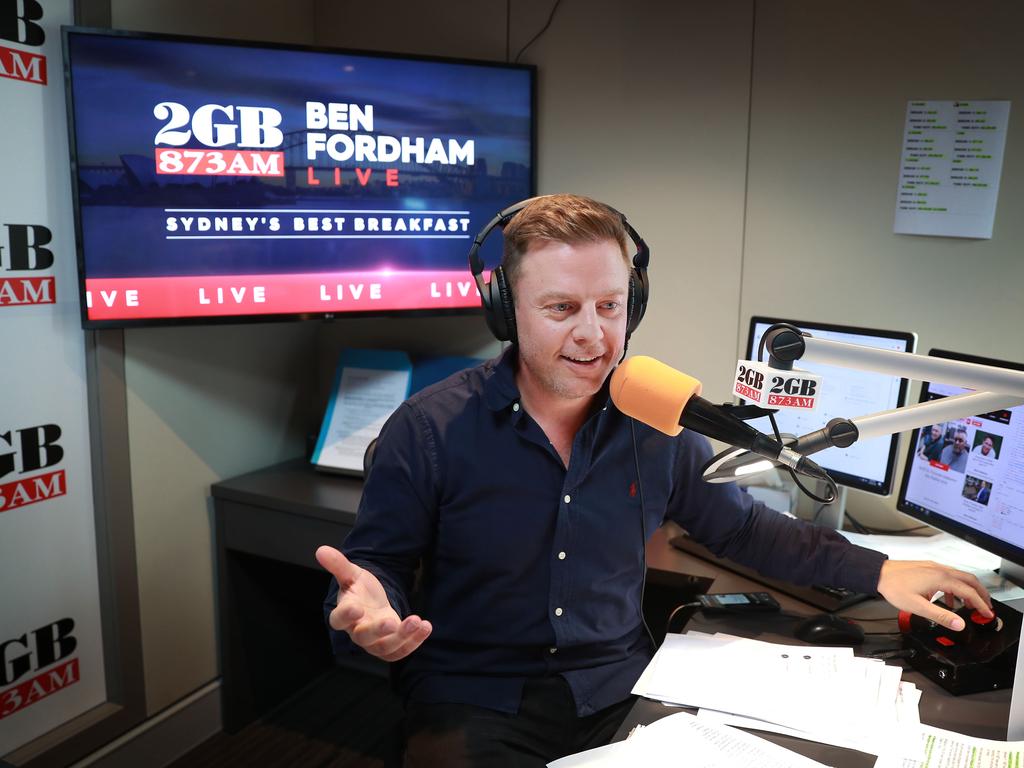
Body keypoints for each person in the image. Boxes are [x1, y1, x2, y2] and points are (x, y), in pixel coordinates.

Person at [316, 195, 992, 767]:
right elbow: (377, 569)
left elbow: (742, 530)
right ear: (505, 310)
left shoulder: (655, 424)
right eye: (561, 309)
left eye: (610, 306)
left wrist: (880, 570)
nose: (594, 335)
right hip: (475, 695)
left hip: (620, 686)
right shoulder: (428, 430)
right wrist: (368, 610)